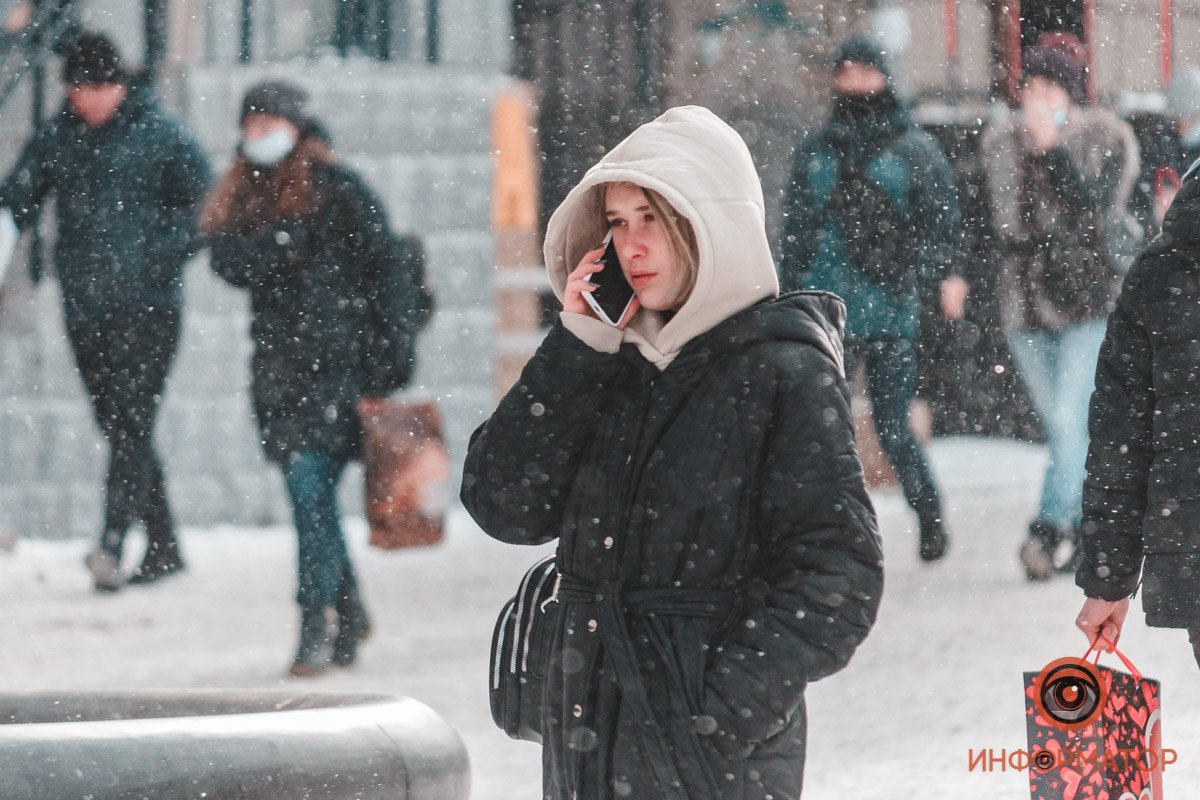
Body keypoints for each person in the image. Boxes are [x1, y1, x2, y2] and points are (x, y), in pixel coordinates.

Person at [462, 106, 883, 799]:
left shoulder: (783, 371)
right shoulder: (604, 359)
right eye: (617, 222)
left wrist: (719, 713)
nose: (631, 246)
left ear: (709, 225)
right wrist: (576, 346)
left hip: (711, 764)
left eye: (652, 218)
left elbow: (839, 573)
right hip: (584, 742)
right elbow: (503, 505)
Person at [202, 81, 419, 677]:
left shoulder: (339, 189)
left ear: (297, 128)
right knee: (311, 497)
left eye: (270, 123)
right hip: (279, 375)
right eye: (251, 125)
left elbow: (390, 272)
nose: (259, 135)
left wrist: (392, 359)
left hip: (341, 373)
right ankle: (347, 612)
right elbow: (224, 258)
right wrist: (277, 244)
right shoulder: (243, 193)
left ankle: (315, 620)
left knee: (309, 494)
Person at [0, 31, 211, 591]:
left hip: (150, 308)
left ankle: (111, 544)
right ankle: (164, 544)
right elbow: (18, 197)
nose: (86, 101)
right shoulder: (59, 137)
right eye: (76, 90)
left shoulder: (162, 135)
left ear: (118, 85)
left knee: (132, 421)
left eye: (95, 89)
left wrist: (156, 258)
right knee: (117, 425)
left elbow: (205, 209)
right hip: (85, 308)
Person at [779, 33, 963, 562]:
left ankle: (929, 514)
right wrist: (789, 297)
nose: (855, 82)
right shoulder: (817, 150)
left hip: (890, 312)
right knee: (820, 427)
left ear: (884, 76)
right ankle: (826, 532)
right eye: (846, 72)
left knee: (891, 425)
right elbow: (796, 231)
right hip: (825, 309)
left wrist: (924, 274)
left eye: (865, 71)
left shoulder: (912, 149)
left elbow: (943, 224)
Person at [980, 46, 1139, 581]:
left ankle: (1049, 530)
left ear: (1072, 96)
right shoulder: (1001, 145)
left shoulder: (1106, 139)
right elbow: (993, 225)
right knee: (1061, 426)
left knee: (1071, 420)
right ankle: (1088, 526)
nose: (1039, 100)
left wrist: (1052, 152)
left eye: (1052, 89)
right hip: (1023, 303)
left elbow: (1094, 215)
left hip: (1086, 298)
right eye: (1031, 88)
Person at [1073, 164, 1200, 667]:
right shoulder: (1163, 272)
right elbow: (1123, 437)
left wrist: (1109, 577)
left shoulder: (1164, 270)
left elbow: (1123, 439)